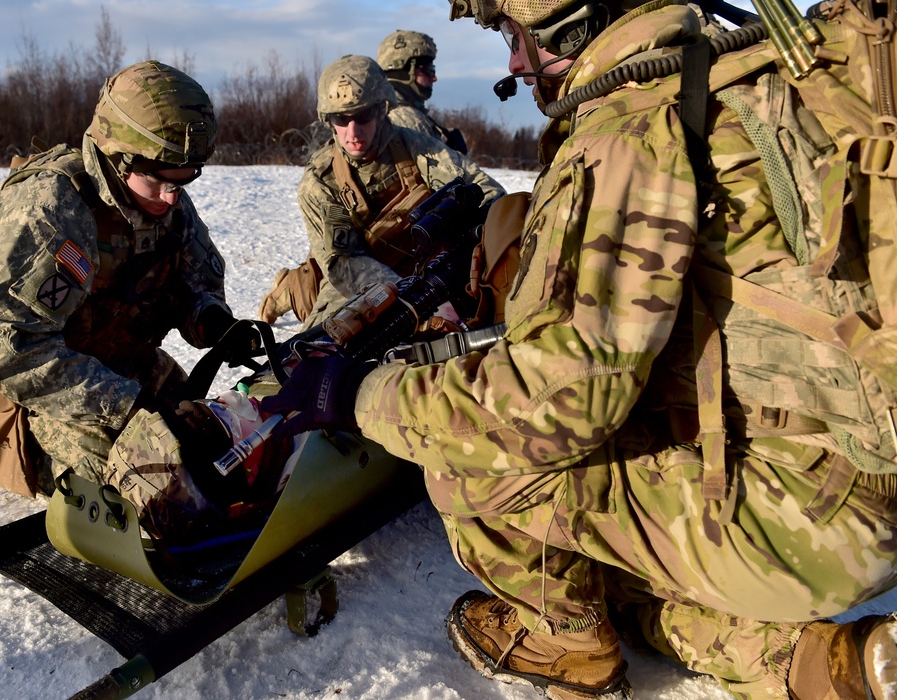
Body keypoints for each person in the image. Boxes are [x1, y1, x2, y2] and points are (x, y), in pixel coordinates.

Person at [258, 1, 897, 698]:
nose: (511, 63)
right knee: (610, 582)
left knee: (472, 459)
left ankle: (565, 643)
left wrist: (355, 395)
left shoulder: (631, 124)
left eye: (512, 36)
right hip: (859, 468)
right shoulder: (742, 73)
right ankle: (827, 666)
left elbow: (548, 406)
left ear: (566, 20)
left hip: (803, 510)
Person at [0, 60, 255, 497]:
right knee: (150, 480)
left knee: (217, 444)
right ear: (120, 157)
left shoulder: (165, 197)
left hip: (121, 356)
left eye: (184, 180)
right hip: (49, 378)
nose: (173, 195)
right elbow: (10, 348)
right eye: (162, 180)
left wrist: (215, 321)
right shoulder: (52, 211)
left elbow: (193, 281)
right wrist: (126, 403)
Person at [258, 54, 503, 329]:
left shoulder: (416, 147)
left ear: (380, 110)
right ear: (328, 120)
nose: (353, 131)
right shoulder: (320, 181)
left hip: (427, 266)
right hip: (358, 280)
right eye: (341, 118)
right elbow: (344, 262)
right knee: (320, 351)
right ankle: (294, 288)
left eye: (362, 116)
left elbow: (487, 193)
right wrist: (413, 299)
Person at [377, 29, 469, 154]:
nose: (434, 78)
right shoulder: (406, 118)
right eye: (428, 70)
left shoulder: (387, 109)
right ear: (405, 70)